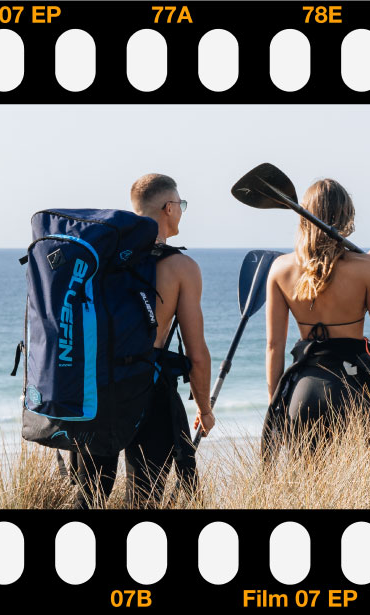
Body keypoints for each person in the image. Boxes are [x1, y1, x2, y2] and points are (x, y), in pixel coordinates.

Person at [71, 173, 215, 508]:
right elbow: (197, 353)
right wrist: (204, 409)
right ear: (168, 208)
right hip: (147, 389)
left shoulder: (99, 260)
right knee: (146, 498)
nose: (181, 211)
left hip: (95, 389)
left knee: (89, 496)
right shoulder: (181, 267)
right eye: (180, 205)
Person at [260, 178, 370, 461]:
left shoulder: (280, 268)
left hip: (302, 390)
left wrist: (277, 403)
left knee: (309, 491)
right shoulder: (367, 268)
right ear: (347, 217)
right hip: (354, 388)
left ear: (304, 217)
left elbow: (274, 347)